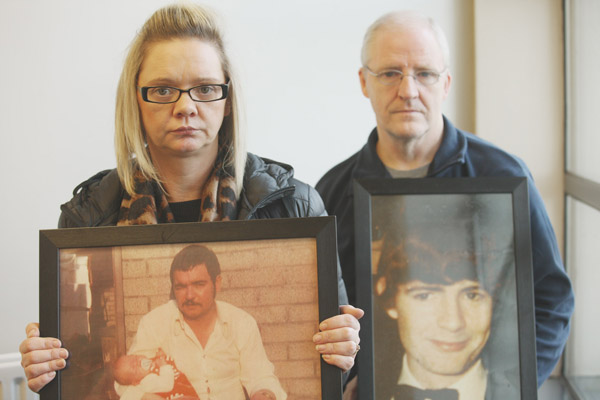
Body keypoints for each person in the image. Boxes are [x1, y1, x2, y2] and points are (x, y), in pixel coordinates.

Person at [19, 3, 362, 394]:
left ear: (227, 99)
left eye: (205, 88)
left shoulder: (294, 206)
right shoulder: (89, 217)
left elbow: (328, 371)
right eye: (163, 89)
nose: (185, 107)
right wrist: (48, 366)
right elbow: (107, 384)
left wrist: (343, 350)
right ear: (136, 100)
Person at [315, 9, 574, 389]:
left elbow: (551, 299)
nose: (408, 90)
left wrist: (510, 387)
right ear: (364, 82)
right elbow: (322, 320)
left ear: (446, 82)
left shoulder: (503, 178)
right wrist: (346, 382)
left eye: (425, 73)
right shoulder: (332, 193)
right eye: (390, 73)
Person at [117, 244, 286, 400]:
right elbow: (124, 384)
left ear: (217, 283)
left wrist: (264, 395)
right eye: (181, 287)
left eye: (199, 284)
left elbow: (260, 376)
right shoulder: (154, 323)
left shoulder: (241, 322)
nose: (189, 295)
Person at [374, 236, 517, 400]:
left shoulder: (517, 392)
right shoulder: (357, 390)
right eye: (425, 295)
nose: (453, 323)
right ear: (390, 300)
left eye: (472, 295)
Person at [113, 349, 199, 400]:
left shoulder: (150, 359)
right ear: (136, 382)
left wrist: (161, 354)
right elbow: (167, 384)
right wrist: (163, 366)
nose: (139, 363)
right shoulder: (147, 383)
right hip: (180, 392)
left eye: (135, 358)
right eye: (135, 369)